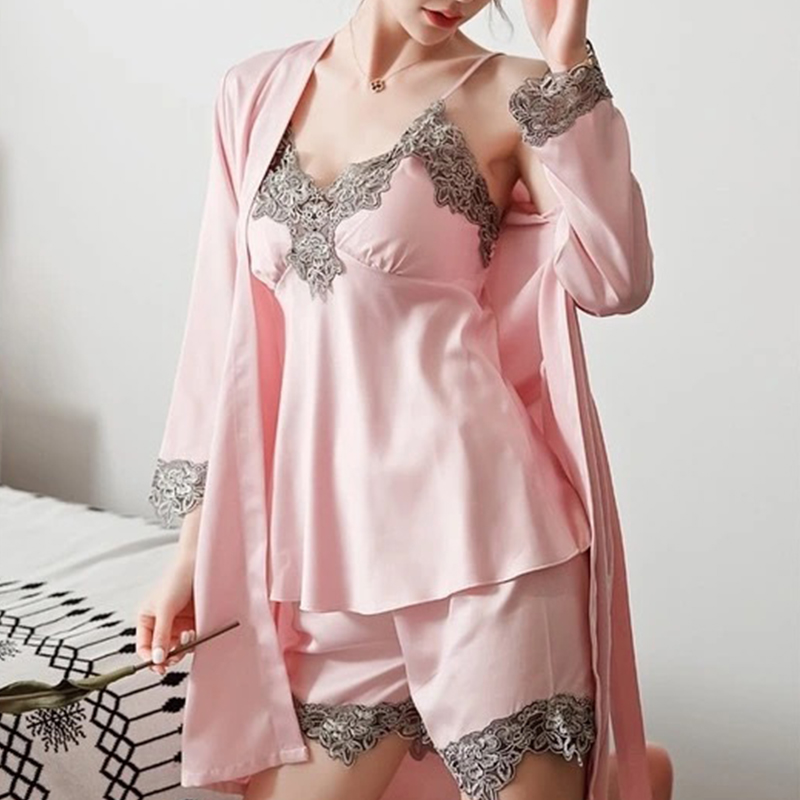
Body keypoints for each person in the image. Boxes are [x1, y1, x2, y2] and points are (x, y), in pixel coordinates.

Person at [137, 1, 655, 799]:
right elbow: (219, 333)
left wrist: (569, 67)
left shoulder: (515, 92)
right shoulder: (255, 93)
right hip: (331, 556)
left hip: (489, 546)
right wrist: (191, 552)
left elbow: (615, 280)